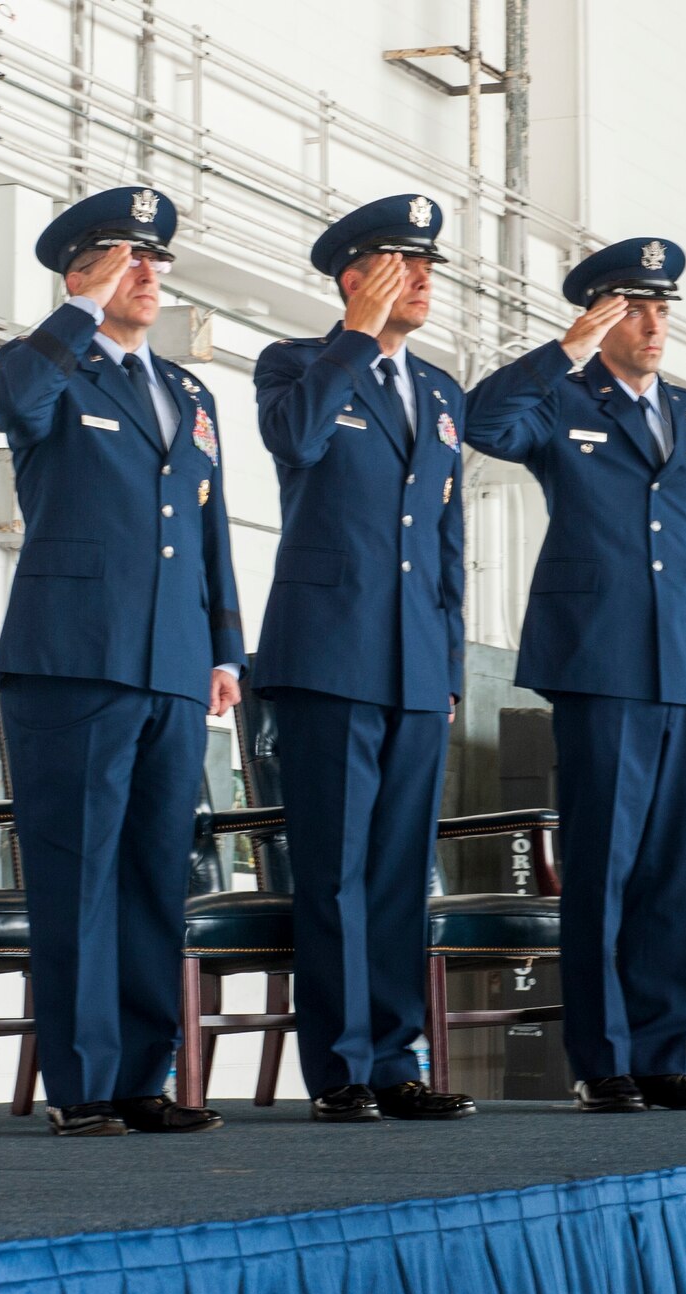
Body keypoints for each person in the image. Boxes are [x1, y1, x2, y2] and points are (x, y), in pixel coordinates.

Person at [463, 237, 686, 1114]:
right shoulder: (561, 398)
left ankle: (662, 1058)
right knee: (603, 869)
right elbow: (483, 424)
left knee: (669, 871)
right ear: (603, 315)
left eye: (664, 310)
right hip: (601, 663)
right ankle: (603, 1061)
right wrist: (567, 349)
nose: (656, 324)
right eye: (637, 309)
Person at [0, 187, 245, 1137]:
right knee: (79, 873)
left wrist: (224, 650)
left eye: (156, 259)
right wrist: (79, 310)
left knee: (150, 874)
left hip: (174, 665)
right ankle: (84, 1084)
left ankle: (143, 1077)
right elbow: (17, 399)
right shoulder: (46, 363)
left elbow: (210, 532)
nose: (149, 273)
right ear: (80, 273)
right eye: (127, 258)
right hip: (74, 660)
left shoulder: (189, 391)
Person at [250, 194, 476, 1123]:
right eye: (400, 264)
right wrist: (356, 334)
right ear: (353, 276)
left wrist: (452, 667)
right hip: (328, 655)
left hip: (417, 664)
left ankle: (395, 1060)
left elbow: (449, 540)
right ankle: (341, 1069)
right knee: (336, 870)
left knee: (397, 872)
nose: (422, 281)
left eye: (427, 267)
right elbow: (294, 441)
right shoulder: (299, 365)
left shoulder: (443, 394)